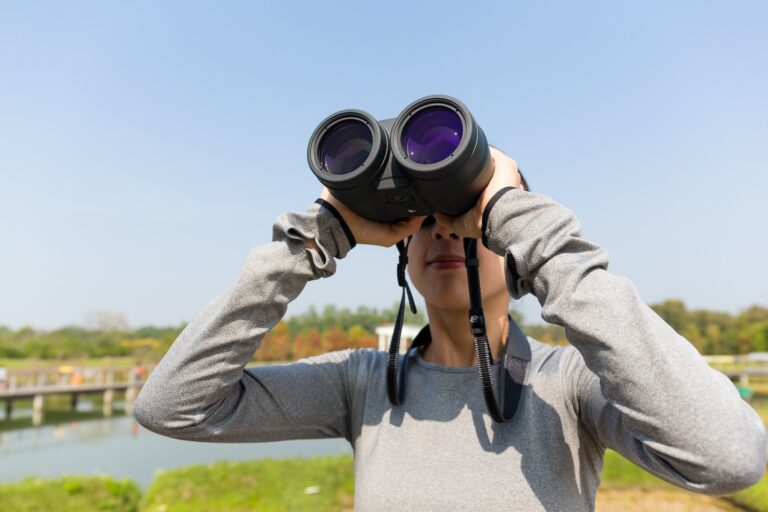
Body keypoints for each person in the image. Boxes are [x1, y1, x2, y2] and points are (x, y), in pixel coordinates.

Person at [133, 147, 767, 511]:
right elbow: (172, 407)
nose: (442, 231)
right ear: (401, 253)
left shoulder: (569, 382)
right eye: (423, 223)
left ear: (515, 250)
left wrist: (527, 226)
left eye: (465, 221)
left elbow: (729, 457)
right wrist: (313, 239)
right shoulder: (364, 383)